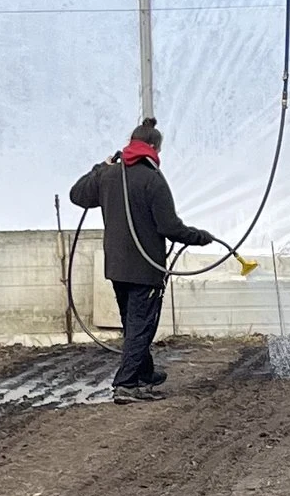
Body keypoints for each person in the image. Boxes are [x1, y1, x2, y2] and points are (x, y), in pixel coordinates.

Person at [68, 117, 214, 400]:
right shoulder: (152, 179)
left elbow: (77, 195)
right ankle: (126, 384)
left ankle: (145, 373)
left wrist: (101, 167)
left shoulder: (109, 175)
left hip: (117, 266)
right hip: (146, 267)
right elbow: (170, 227)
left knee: (133, 323)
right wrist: (200, 236)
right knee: (141, 326)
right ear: (154, 148)